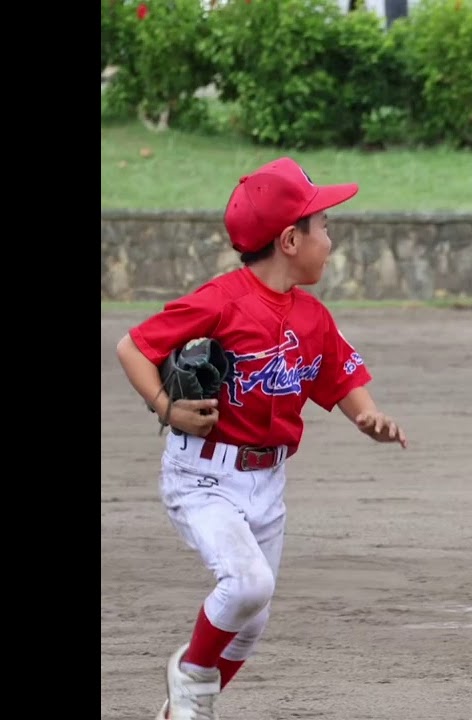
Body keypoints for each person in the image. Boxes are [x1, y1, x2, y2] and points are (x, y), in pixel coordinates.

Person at [115, 157, 409, 720]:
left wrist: (368, 415)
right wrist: (165, 407)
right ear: (290, 239)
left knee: (252, 622)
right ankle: (191, 681)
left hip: (267, 482)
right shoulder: (221, 300)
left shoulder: (312, 316)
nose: (332, 237)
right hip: (203, 474)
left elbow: (341, 375)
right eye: (324, 226)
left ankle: (181, 710)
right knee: (246, 585)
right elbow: (134, 347)